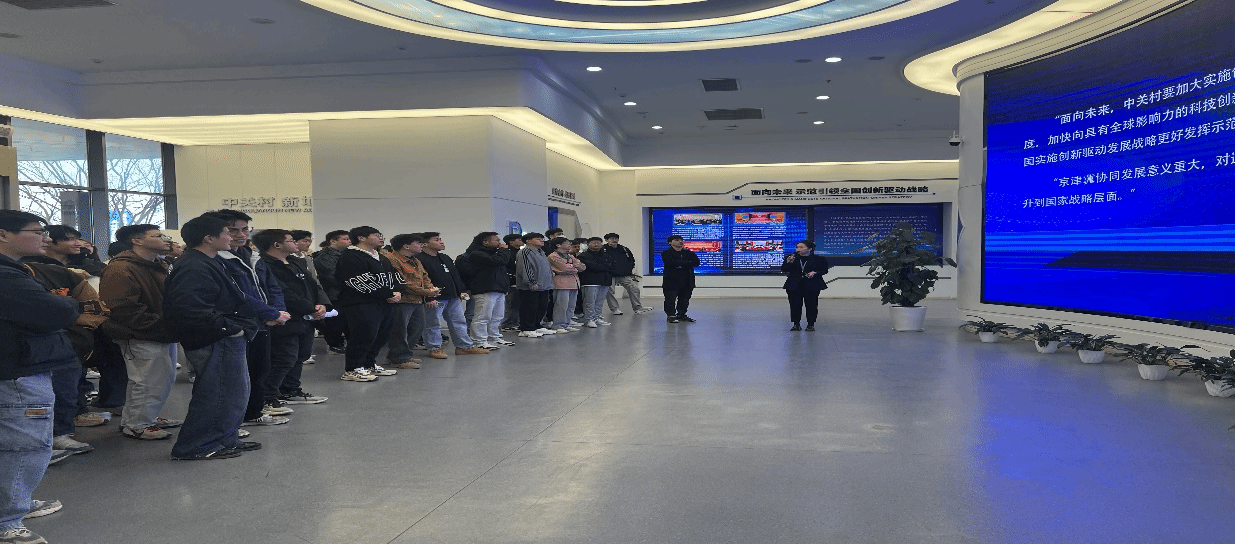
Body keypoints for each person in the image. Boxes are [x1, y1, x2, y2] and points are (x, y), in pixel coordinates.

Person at [0, 211, 77, 544]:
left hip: (14, 366)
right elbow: (54, 311)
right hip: (17, 370)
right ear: (3, 234)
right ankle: (6, 520)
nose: (45, 237)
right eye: (37, 231)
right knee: (24, 446)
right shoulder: (6, 276)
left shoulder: (14, 271)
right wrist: (69, 303)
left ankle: (12, 500)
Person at [163, 214, 261, 460]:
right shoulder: (194, 266)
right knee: (217, 394)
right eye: (228, 232)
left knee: (232, 394)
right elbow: (192, 308)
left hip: (223, 337)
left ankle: (225, 438)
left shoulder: (208, 261)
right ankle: (198, 445)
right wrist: (231, 328)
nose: (233, 236)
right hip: (215, 338)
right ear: (209, 238)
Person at [207, 210, 291, 426]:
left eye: (245, 229)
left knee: (259, 371)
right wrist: (270, 313)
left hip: (261, 323)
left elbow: (272, 287)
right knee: (235, 376)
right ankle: (232, 421)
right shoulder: (217, 259)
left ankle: (253, 413)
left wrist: (278, 312)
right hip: (239, 323)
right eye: (233, 230)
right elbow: (238, 294)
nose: (240, 234)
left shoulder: (251, 255)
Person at [99, 224, 182, 440]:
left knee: (162, 378)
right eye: (158, 236)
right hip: (139, 333)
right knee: (146, 380)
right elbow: (123, 308)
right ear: (136, 241)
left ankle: (146, 417)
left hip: (162, 331)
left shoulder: (158, 264)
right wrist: (161, 326)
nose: (166, 239)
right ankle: (137, 424)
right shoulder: (121, 268)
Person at [253, 229, 330, 408]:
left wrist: (321, 304)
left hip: (306, 317)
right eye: (291, 240)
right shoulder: (265, 265)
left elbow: (314, 285)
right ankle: (268, 396)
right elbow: (282, 292)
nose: (296, 243)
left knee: (301, 355)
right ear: (277, 244)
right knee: (284, 358)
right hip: (286, 317)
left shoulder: (296, 262)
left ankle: (290, 390)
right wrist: (310, 308)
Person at [335, 226, 402, 381]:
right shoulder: (350, 257)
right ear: (361, 238)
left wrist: (397, 291)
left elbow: (395, 277)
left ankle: (369, 364)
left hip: (384, 303)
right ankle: (353, 369)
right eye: (376, 235)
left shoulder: (381, 257)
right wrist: (388, 294)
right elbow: (358, 281)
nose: (381, 238)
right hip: (361, 303)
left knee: (380, 336)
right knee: (363, 335)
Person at [416, 232, 489, 359]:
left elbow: (454, 275)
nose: (441, 242)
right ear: (425, 244)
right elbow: (421, 280)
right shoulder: (420, 259)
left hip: (452, 296)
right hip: (435, 298)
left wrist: (461, 290)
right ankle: (434, 348)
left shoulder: (444, 257)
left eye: (440, 239)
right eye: (436, 240)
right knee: (433, 324)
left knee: (459, 321)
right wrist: (428, 297)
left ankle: (464, 346)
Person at [384, 234, 440, 369]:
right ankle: (399, 358)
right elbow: (404, 284)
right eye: (418, 243)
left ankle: (402, 355)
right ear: (406, 246)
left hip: (417, 300)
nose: (421, 245)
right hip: (402, 301)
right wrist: (427, 292)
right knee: (400, 332)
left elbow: (425, 277)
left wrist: (431, 289)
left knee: (417, 329)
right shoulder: (392, 260)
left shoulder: (415, 260)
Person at [464, 232, 514, 349]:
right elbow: (499, 261)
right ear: (485, 242)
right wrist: (504, 250)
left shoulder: (495, 253)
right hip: (485, 290)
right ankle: (479, 341)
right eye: (496, 240)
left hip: (498, 289)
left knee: (497, 317)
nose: (500, 242)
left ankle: (494, 337)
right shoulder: (477, 254)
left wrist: (505, 287)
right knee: (482, 317)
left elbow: (502, 269)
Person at [313, 230, 351, 354]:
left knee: (347, 321)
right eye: (345, 239)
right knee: (335, 322)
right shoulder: (324, 257)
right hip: (333, 294)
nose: (349, 241)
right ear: (333, 241)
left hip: (346, 294)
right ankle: (335, 345)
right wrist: (350, 283)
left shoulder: (347, 254)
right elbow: (331, 277)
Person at [780, 240, 830, 331]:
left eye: (801, 247)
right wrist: (788, 262)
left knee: (811, 305)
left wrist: (815, 273)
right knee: (795, 305)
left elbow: (824, 270)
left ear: (810, 249)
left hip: (812, 284)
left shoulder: (819, 259)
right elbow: (784, 269)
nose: (798, 249)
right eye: (797, 247)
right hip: (794, 285)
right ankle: (796, 324)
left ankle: (810, 324)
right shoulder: (791, 258)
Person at [602, 233, 653, 315]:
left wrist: (629, 269)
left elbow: (631, 260)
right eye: (611, 238)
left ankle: (637, 308)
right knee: (610, 292)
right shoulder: (602, 249)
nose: (614, 240)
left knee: (634, 289)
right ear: (606, 240)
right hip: (609, 275)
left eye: (616, 238)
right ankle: (614, 309)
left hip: (624, 274)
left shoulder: (624, 249)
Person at [514, 232, 554, 338]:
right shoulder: (525, 251)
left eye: (542, 238)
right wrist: (531, 281)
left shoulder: (541, 251)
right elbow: (525, 267)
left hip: (543, 285)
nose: (541, 240)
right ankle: (526, 329)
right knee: (529, 307)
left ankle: (536, 326)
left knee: (541, 307)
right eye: (538, 239)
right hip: (531, 286)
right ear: (528, 241)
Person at [547, 239, 585, 333]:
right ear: (558, 245)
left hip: (574, 283)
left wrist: (573, 266)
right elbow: (564, 268)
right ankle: (558, 325)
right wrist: (575, 266)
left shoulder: (570, 256)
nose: (569, 245)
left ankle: (567, 323)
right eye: (567, 243)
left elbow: (582, 267)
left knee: (571, 306)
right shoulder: (553, 256)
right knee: (561, 306)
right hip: (561, 283)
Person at [577, 237, 615, 328]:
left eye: (598, 243)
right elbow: (592, 266)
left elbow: (612, 265)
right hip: (590, 281)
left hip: (604, 281)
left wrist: (602, 266)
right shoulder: (583, 256)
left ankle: (597, 317)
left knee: (599, 302)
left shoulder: (606, 255)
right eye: (594, 243)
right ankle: (589, 319)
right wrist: (604, 266)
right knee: (589, 302)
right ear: (588, 244)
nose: (596, 244)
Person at [661, 235, 700, 323]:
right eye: (677, 240)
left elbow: (696, 262)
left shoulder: (688, 253)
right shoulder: (666, 253)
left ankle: (681, 314)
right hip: (671, 281)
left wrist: (680, 264)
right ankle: (671, 315)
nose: (680, 241)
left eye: (681, 240)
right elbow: (670, 263)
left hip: (687, 280)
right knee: (670, 299)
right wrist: (687, 263)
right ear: (670, 242)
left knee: (684, 299)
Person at [499, 233, 524, 331]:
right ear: (511, 242)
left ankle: (516, 322)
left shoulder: (521, 252)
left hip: (520, 281)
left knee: (518, 303)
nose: (522, 241)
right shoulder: (508, 253)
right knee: (512, 303)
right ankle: (507, 324)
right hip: (511, 281)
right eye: (519, 239)